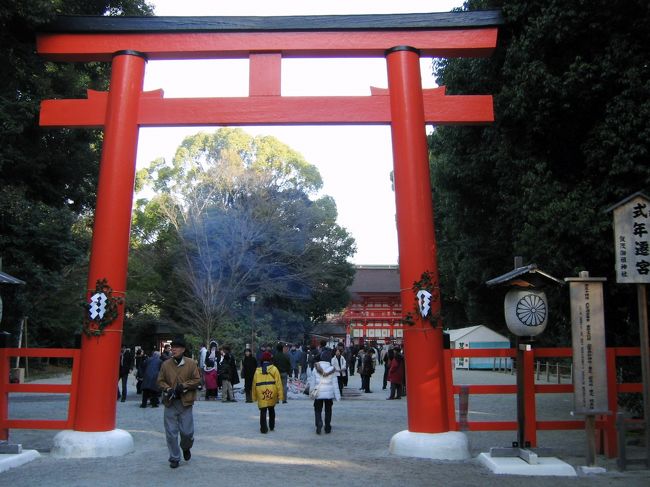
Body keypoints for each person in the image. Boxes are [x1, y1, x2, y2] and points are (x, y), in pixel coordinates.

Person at [157, 336, 200, 469]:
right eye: (172, 347)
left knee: (187, 432)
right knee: (171, 432)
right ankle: (174, 457)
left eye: (177, 347)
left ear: (183, 350)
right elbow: (160, 381)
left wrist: (185, 386)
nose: (173, 349)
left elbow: (197, 379)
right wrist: (168, 388)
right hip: (170, 402)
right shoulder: (166, 364)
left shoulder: (191, 364)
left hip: (185, 402)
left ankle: (186, 447)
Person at [252, 351, 283, 434]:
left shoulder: (257, 370)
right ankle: (271, 425)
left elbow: (254, 384)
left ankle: (263, 428)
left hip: (260, 390)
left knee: (263, 410)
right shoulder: (274, 369)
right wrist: (280, 396)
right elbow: (279, 383)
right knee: (271, 408)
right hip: (272, 390)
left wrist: (254, 397)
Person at [309, 353, 340, 434]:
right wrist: (337, 396)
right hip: (329, 394)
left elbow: (312, 382)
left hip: (318, 393)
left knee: (317, 409)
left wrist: (311, 392)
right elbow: (335, 384)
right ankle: (327, 426)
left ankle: (319, 423)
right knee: (328, 410)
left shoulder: (316, 369)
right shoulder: (332, 369)